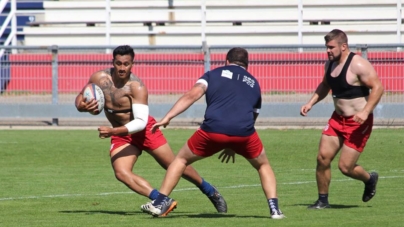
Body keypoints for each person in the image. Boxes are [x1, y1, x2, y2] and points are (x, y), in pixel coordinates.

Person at [74, 45, 227, 213]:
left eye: (126, 64)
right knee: (121, 172)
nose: (122, 68)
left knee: (174, 165)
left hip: (145, 130)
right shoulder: (99, 78)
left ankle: (210, 191)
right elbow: (80, 98)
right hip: (122, 135)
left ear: (132, 63)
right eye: (118, 63)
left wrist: (112, 131)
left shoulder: (137, 87)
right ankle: (161, 200)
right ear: (113, 62)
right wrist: (82, 106)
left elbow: (140, 122)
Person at [140, 47, 285, 219]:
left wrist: (168, 117)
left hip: (212, 130)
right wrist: (234, 143)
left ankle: (160, 202)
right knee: (263, 165)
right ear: (247, 65)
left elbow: (192, 95)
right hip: (244, 133)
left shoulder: (212, 74)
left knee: (181, 160)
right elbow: (253, 114)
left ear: (226, 61)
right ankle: (275, 210)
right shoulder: (254, 82)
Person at [300, 29, 384, 209]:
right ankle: (322, 201)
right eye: (326, 47)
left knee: (345, 167)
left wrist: (365, 111)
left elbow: (378, 88)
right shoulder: (329, 64)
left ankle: (369, 179)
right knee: (322, 158)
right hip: (337, 120)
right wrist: (310, 103)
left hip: (358, 123)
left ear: (343, 46)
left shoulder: (359, 64)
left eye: (331, 47)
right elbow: (325, 85)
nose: (328, 51)